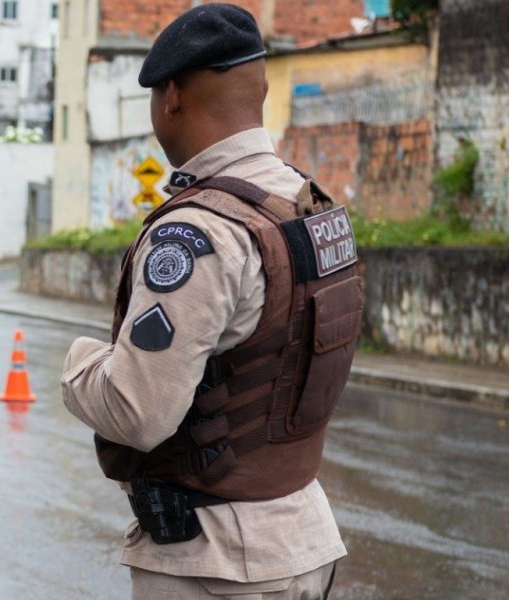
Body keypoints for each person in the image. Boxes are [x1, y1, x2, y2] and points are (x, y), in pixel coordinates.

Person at [60, 5, 362, 599]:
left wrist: (79, 363)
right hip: (303, 539)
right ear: (262, 89)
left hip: (216, 564)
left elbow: (138, 413)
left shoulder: (199, 232)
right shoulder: (308, 205)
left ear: (171, 96)